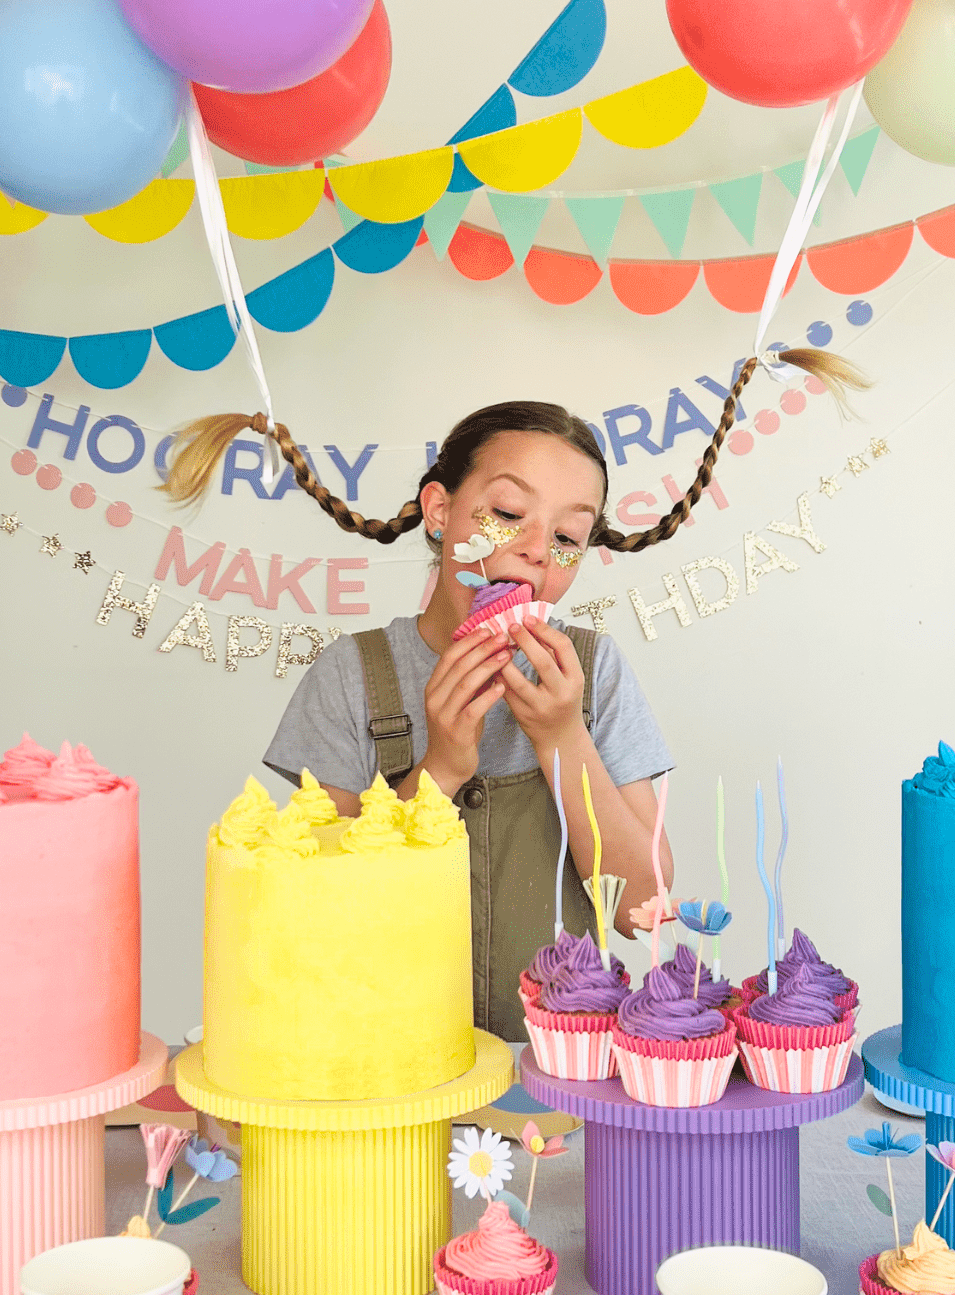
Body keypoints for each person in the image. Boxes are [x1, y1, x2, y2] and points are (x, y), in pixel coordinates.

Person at [160, 350, 864, 1040]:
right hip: (385, 1051)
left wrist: (563, 738)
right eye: (505, 511)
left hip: (557, 1063)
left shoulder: (595, 674)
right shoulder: (352, 674)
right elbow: (314, 903)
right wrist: (438, 768)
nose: (535, 549)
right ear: (439, 510)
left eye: (566, 537)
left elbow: (642, 904)